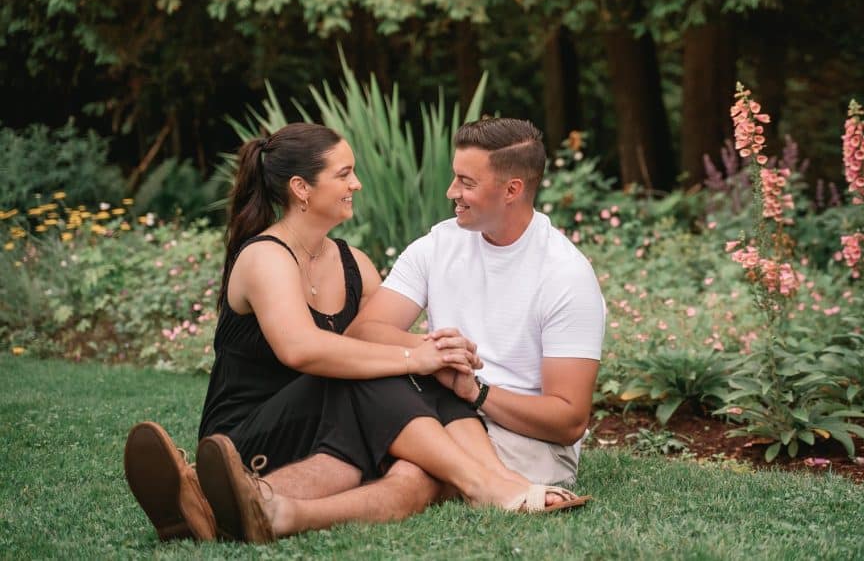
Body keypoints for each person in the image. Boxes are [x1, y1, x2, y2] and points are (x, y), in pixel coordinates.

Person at [123, 123, 590, 545]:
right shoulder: (267, 257)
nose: (357, 183)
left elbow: (377, 340)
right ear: (301, 189)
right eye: (344, 173)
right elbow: (304, 350)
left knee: (421, 401)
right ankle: (487, 483)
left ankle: (241, 506)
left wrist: (440, 359)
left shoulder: (355, 263)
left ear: (512, 189)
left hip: (331, 425)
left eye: (465, 182)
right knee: (401, 376)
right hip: (249, 432)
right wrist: (422, 357)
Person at [348, 118, 605, 487]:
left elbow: (568, 421)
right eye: (456, 177)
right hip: (444, 409)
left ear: (512, 189)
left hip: (527, 438)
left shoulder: (566, 274)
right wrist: (436, 353)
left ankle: (283, 513)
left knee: (410, 475)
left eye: (467, 183)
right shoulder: (438, 245)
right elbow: (362, 333)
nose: (451, 191)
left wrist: (475, 390)